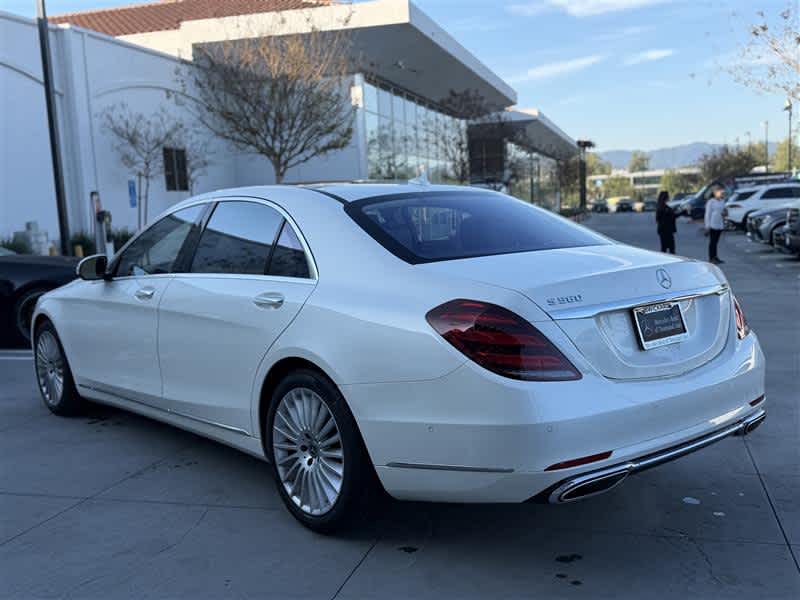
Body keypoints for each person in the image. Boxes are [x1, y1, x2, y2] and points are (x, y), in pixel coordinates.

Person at [704, 186, 726, 264]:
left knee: (716, 242)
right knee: (712, 242)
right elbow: (707, 214)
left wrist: (724, 214)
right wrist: (707, 226)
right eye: (719, 192)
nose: (721, 193)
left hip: (719, 223)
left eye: (721, 192)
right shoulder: (711, 202)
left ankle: (715, 257)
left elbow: (723, 211)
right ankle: (711, 258)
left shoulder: (722, 201)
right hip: (712, 224)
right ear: (714, 193)